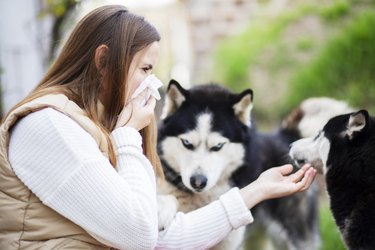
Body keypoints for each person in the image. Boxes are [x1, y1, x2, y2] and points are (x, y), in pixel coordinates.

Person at [0, 5, 316, 250]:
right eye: (145, 69)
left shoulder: (90, 128)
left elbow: (163, 236)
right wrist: (127, 138)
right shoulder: (49, 126)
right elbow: (138, 235)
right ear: (103, 61)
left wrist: (255, 191)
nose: (153, 83)